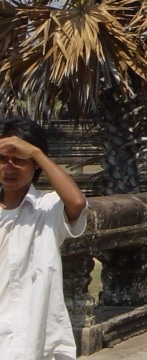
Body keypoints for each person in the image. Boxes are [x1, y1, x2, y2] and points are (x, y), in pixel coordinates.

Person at [0, 116, 89, 360]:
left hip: (33, 337)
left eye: (19, 160)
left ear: (34, 165)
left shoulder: (47, 208)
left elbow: (77, 202)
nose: (9, 168)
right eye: (2, 159)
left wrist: (37, 153)